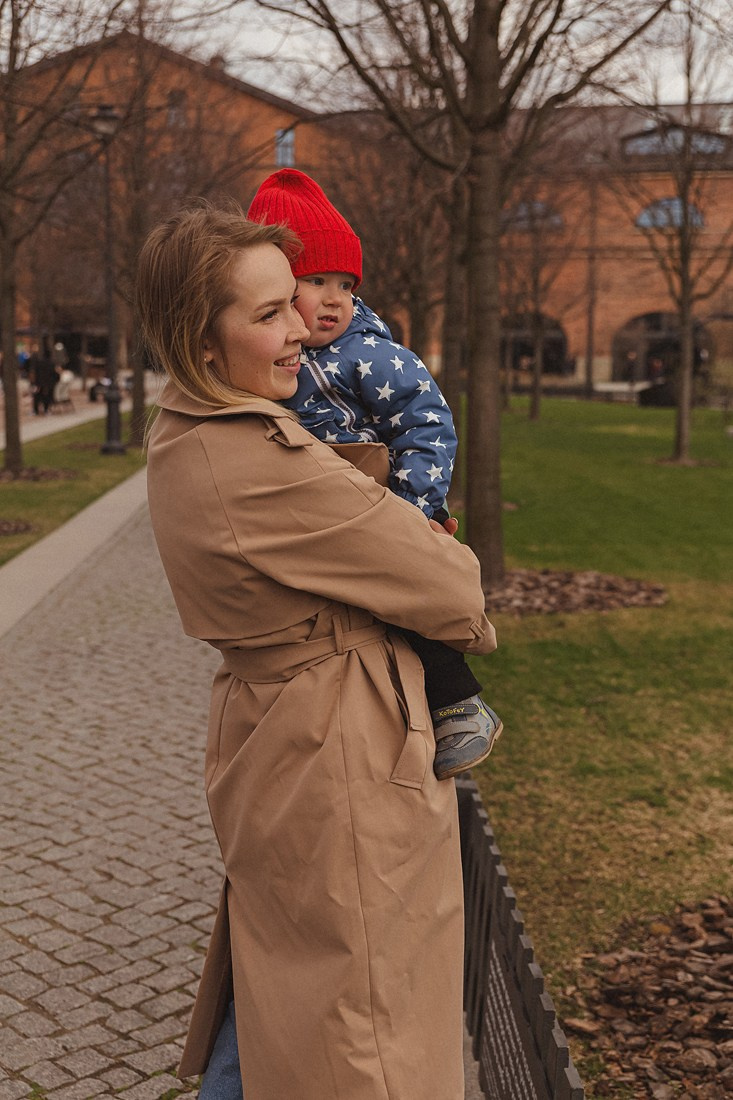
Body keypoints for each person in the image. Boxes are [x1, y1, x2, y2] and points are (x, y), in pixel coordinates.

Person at [138, 202, 498, 1099]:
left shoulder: (191, 429)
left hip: (288, 735)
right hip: (337, 744)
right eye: (267, 314)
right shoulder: (255, 459)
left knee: (288, 993)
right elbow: (450, 588)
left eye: (292, 301)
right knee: (358, 1021)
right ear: (200, 341)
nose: (303, 327)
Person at [247, 168, 502, 781]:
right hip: (335, 512)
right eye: (315, 282)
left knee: (405, 603)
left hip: (396, 503)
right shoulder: (288, 358)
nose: (334, 298)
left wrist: (414, 507)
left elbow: (429, 423)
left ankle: (460, 704)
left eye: (345, 284)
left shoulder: (369, 355)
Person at [28, 345, 59, 415]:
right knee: (46, 397)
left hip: (38, 383)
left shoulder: (39, 362)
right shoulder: (52, 364)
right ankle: (46, 410)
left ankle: (35, 410)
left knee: (36, 396)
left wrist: (33, 382)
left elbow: (35, 372)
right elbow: (55, 374)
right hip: (48, 383)